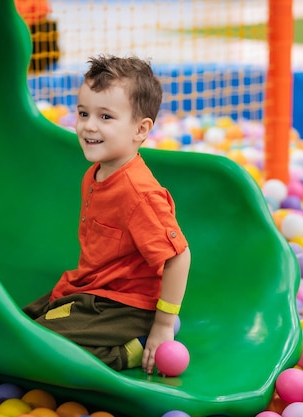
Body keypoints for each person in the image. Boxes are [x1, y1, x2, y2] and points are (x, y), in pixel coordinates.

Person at [23, 54, 191, 373]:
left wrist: (163, 325)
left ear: (140, 130)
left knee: (45, 345)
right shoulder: (95, 173)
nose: (89, 125)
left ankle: (127, 350)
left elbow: (178, 257)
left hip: (127, 303)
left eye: (105, 117)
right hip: (94, 289)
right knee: (22, 321)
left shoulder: (139, 194)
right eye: (83, 113)